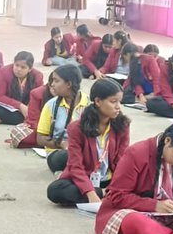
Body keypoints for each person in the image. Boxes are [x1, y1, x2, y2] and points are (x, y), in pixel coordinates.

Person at [47, 78, 129, 206]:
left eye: (119, 101)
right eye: (113, 102)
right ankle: (103, 193)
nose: (118, 107)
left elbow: (121, 161)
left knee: (145, 186)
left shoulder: (122, 125)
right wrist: (90, 193)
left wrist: (115, 187)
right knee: (55, 190)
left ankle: (108, 193)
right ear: (97, 101)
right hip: (86, 178)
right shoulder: (76, 128)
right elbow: (76, 167)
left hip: (109, 179)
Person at [36, 63, 87, 173]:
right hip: (59, 153)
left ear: (68, 84)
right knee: (66, 156)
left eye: (56, 81)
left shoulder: (89, 104)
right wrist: (61, 144)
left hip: (84, 151)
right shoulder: (51, 105)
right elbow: (40, 138)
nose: (52, 84)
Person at [0, 52, 42, 126]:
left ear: (30, 69)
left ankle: (4, 119)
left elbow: (38, 97)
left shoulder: (38, 76)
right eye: (16, 65)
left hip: (27, 107)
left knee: (39, 112)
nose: (18, 69)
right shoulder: (3, 72)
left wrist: (28, 107)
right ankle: (23, 120)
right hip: (8, 107)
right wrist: (20, 106)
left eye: (23, 67)